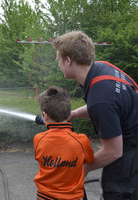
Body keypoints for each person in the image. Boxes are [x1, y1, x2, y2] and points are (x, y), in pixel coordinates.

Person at [53, 31, 138, 199]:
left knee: (117, 193)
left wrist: (84, 167)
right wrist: (74, 114)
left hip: (130, 156)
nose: (58, 63)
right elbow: (110, 105)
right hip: (130, 141)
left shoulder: (101, 98)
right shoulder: (102, 68)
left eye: (58, 60)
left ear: (68, 60)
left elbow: (113, 151)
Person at [33, 86, 94, 200]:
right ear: (68, 114)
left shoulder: (38, 139)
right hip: (73, 197)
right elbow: (89, 160)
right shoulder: (82, 141)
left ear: (45, 116)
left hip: (44, 197)